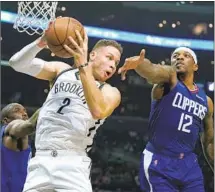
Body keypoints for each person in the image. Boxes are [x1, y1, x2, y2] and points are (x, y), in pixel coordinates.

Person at [9, 28, 123, 191]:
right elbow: (17, 63)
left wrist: (83, 66)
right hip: (40, 160)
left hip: (72, 163)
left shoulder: (110, 91)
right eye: (109, 58)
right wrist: (40, 43)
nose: (112, 65)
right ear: (93, 55)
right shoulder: (61, 71)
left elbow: (98, 110)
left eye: (116, 63)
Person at [118, 47, 214, 192]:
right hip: (160, 161)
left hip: (189, 164)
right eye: (175, 56)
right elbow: (153, 71)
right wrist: (139, 64)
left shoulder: (206, 101)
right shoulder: (169, 80)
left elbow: (209, 141)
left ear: (195, 66)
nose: (179, 57)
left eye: (186, 55)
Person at [1, 103, 39, 192]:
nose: (24, 113)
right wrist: (51, 105)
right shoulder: (8, 131)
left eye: (25, 110)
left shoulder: (29, 144)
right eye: (17, 110)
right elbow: (28, 125)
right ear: (6, 121)